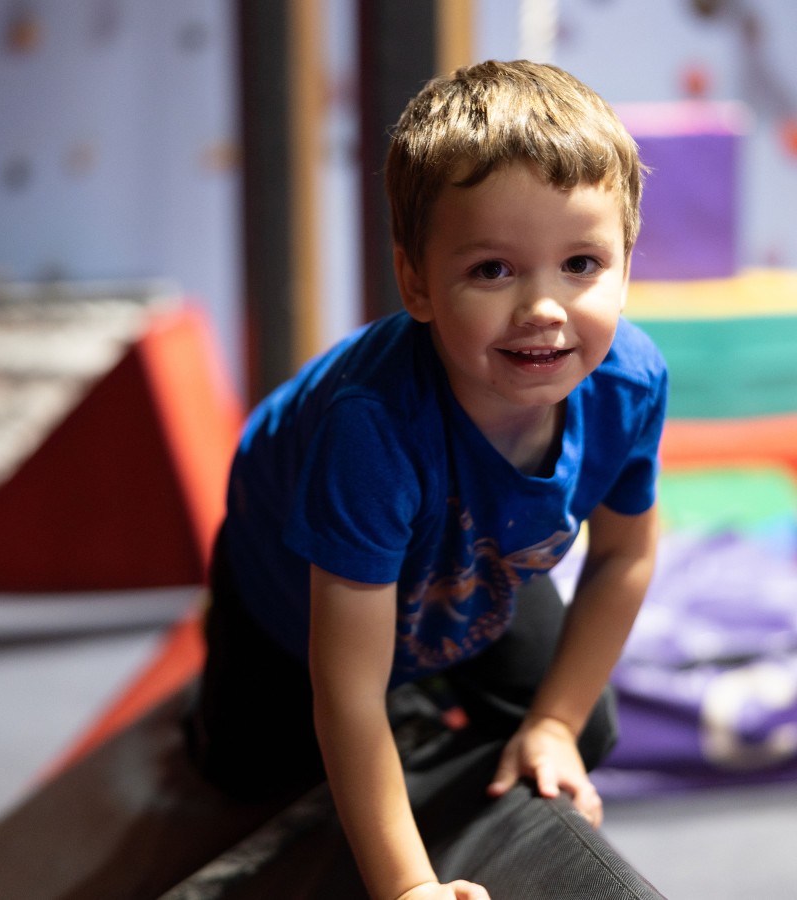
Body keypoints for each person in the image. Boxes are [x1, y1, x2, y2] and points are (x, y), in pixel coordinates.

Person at [188, 59, 667, 900]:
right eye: (493, 270)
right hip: (291, 604)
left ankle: (450, 696)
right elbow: (344, 691)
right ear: (417, 282)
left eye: (582, 264)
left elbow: (624, 556)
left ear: (626, 263)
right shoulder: (370, 429)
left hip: (476, 569)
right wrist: (408, 888)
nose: (544, 308)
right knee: (251, 771)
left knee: (582, 728)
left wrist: (551, 723)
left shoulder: (630, 382)